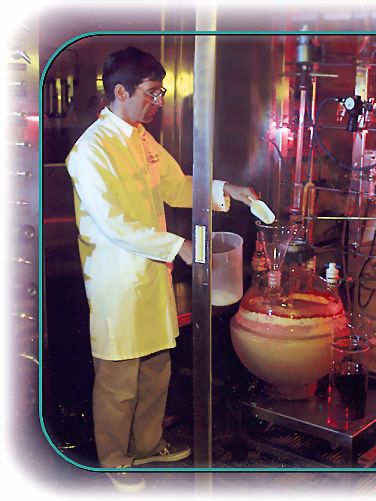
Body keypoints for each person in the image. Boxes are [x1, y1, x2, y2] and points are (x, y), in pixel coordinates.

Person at [65, 46, 257, 492]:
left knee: (155, 367)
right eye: (151, 92)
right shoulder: (90, 151)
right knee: (118, 378)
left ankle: (147, 444)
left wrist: (228, 189)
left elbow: (177, 185)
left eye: (161, 92)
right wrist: (180, 246)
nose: (158, 101)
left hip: (152, 275)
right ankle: (115, 460)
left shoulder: (142, 138)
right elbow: (115, 224)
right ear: (120, 92)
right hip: (116, 279)